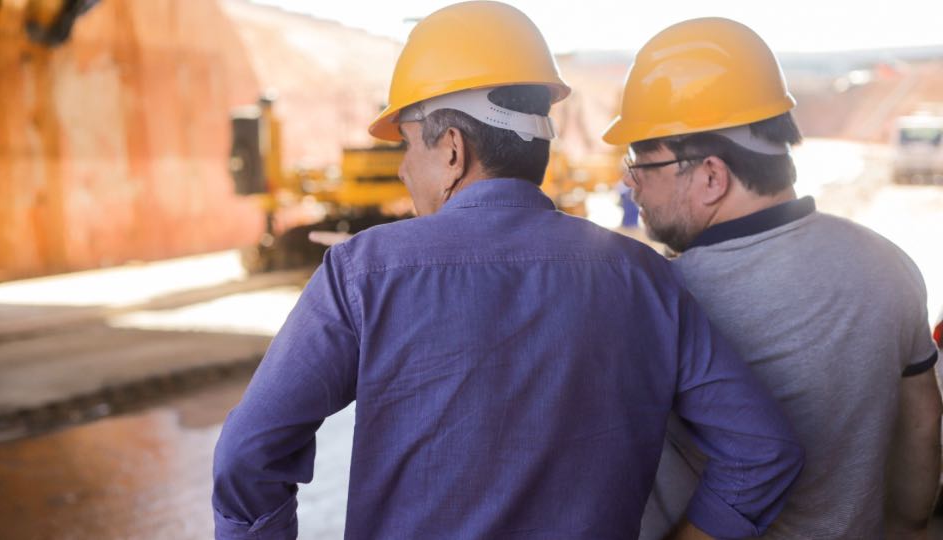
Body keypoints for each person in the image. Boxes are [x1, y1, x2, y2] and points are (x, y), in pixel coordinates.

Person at [212, 4, 804, 539]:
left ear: (451, 149)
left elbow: (248, 456)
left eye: (407, 147)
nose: (402, 172)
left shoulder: (364, 271)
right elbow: (762, 452)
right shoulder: (643, 277)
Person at [601, 17, 943, 539]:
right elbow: (922, 423)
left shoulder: (666, 296)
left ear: (712, 176)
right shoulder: (888, 262)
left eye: (641, 162)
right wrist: (908, 525)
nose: (629, 182)